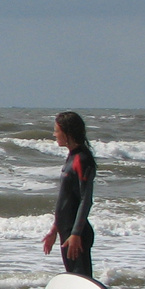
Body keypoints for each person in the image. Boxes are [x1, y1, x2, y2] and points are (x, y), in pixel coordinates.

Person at [42, 111, 97, 278]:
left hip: (76, 234)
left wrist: (76, 234)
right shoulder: (71, 157)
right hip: (67, 231)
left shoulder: (82, 159)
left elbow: (85, 199)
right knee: (74, 279)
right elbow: (66, 200)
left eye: (57, 130)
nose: (54, 134)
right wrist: (54, 229)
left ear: (67, 132)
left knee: (82, 280)